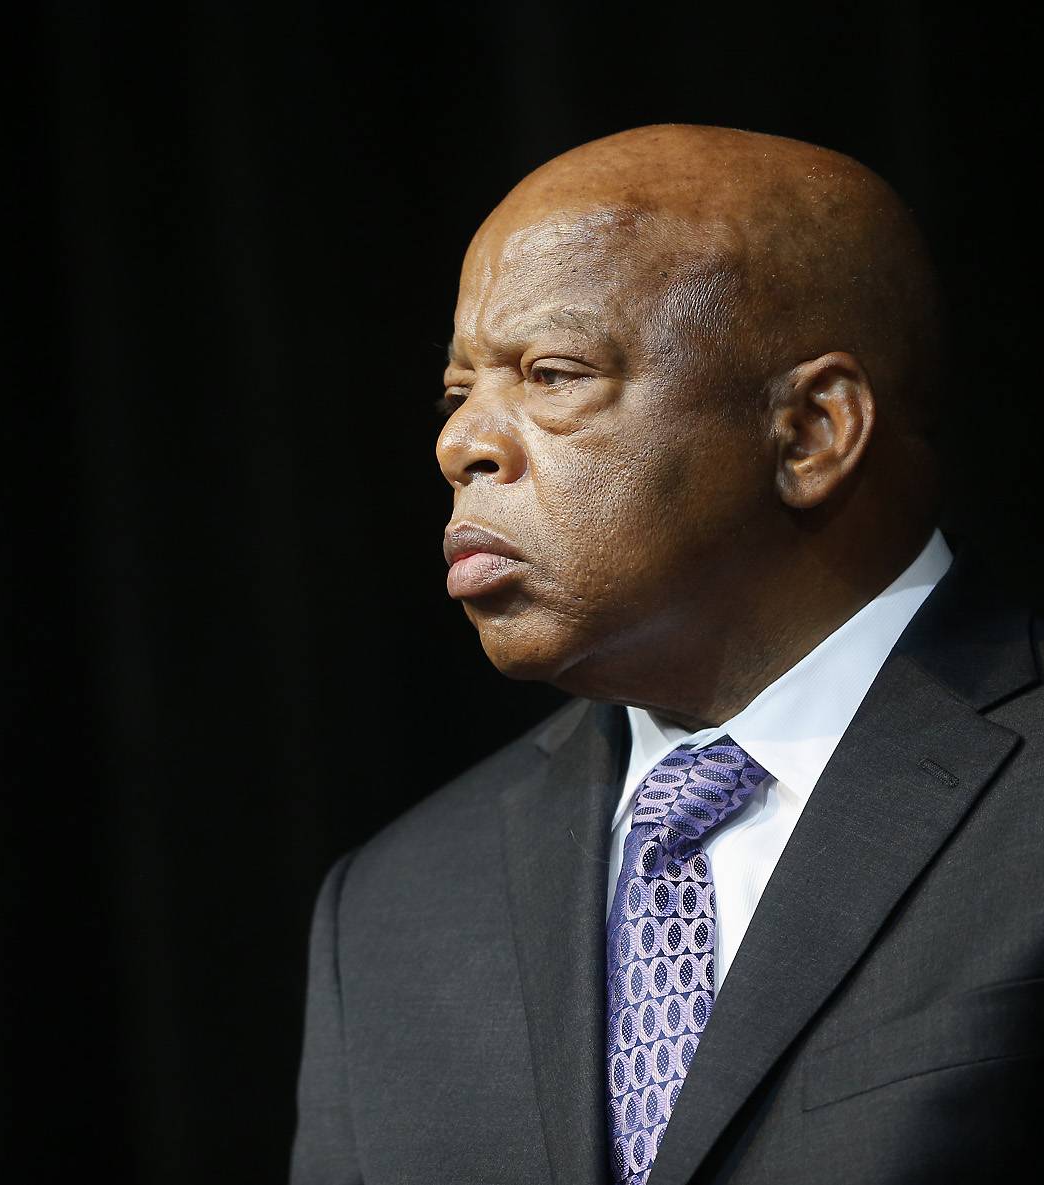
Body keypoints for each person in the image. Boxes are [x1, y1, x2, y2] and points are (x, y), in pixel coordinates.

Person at [290, 125, 1044, 1185]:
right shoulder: (395, 906)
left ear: (811, 432)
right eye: (458, 395)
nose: (459, 444)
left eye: (551, 374)